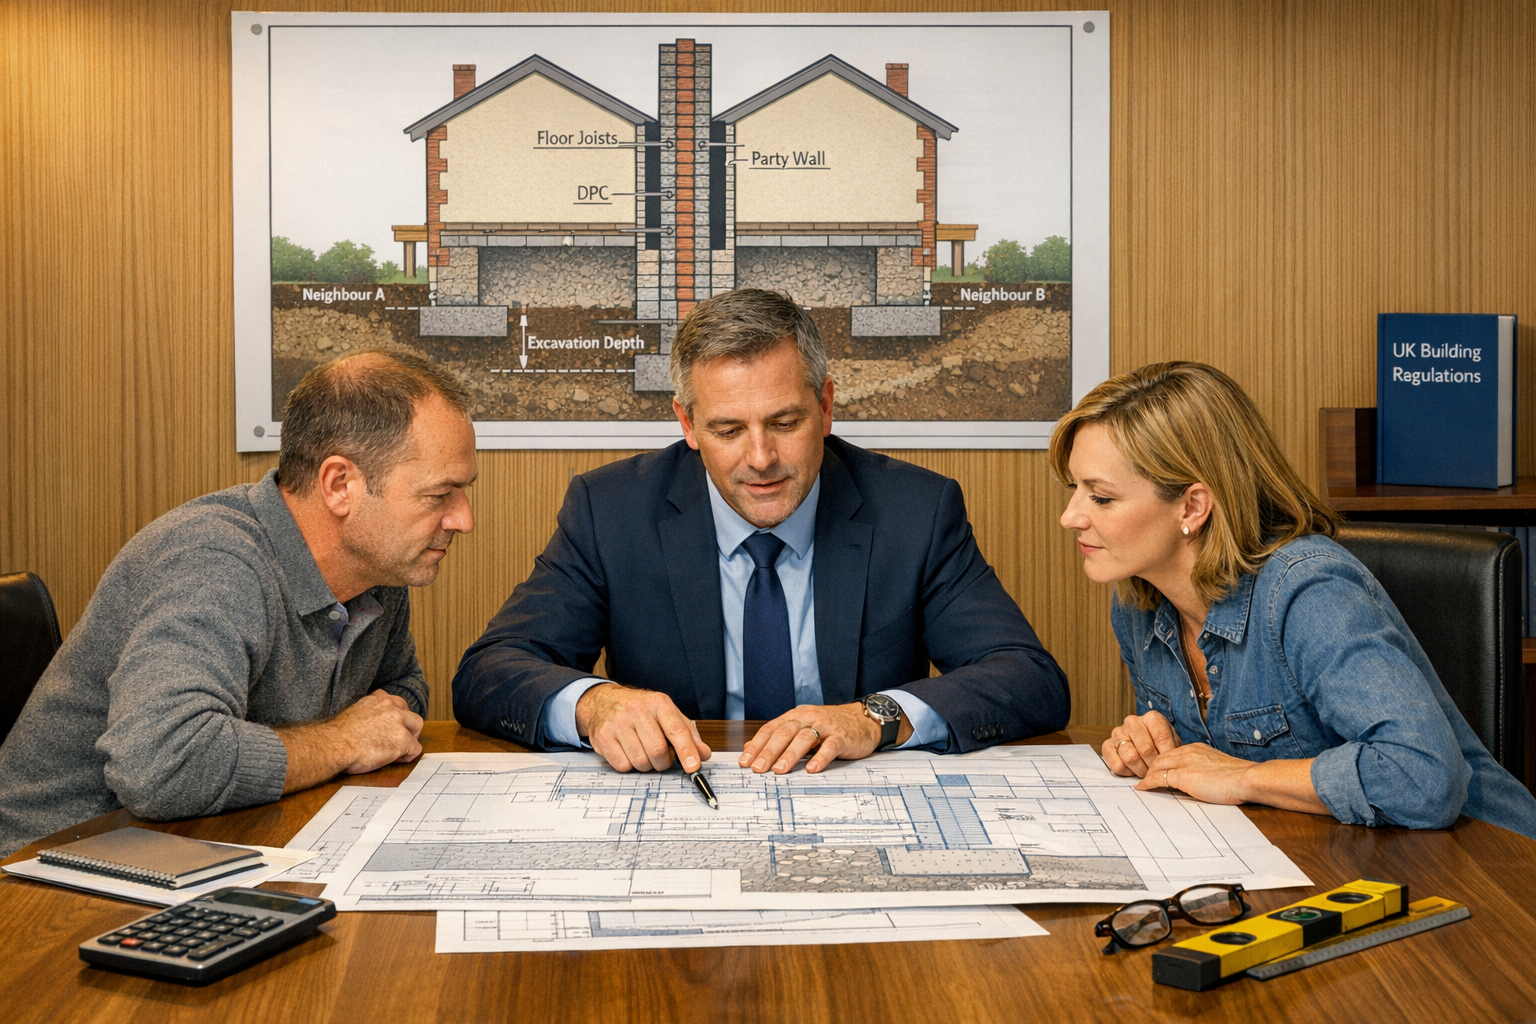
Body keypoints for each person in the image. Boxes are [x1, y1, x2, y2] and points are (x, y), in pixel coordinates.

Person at [455, 288, 1069, 776]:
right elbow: (491, 673)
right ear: (687, 424)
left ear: (826, 407)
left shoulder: (916, 509)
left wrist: (875, 717)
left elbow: (1026, 678)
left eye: (785, 422)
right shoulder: (610, 509)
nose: (760, 458)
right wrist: (595, 705)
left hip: (850, 804)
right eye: (727, 430)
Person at [0, 351, 478, 856]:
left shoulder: (377, 567)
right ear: (341, 485)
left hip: (204, 845)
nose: (463, 520)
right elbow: (161, 764)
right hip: (49, 869)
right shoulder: (215, 560)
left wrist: (355, 734)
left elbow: (398, 697)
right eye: (439, 495)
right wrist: (340, 741)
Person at [1051, 360, 1536, 838]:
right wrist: (1152, 747)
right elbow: (1202, 766)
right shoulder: (1137, 602)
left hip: (1491, 869)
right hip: (1336, 856)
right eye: (1075, 489)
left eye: (1101, 497)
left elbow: (1424, 778)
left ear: (1193, 507)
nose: (1070, 517)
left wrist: (1240, 777)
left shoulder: (1308, 590)